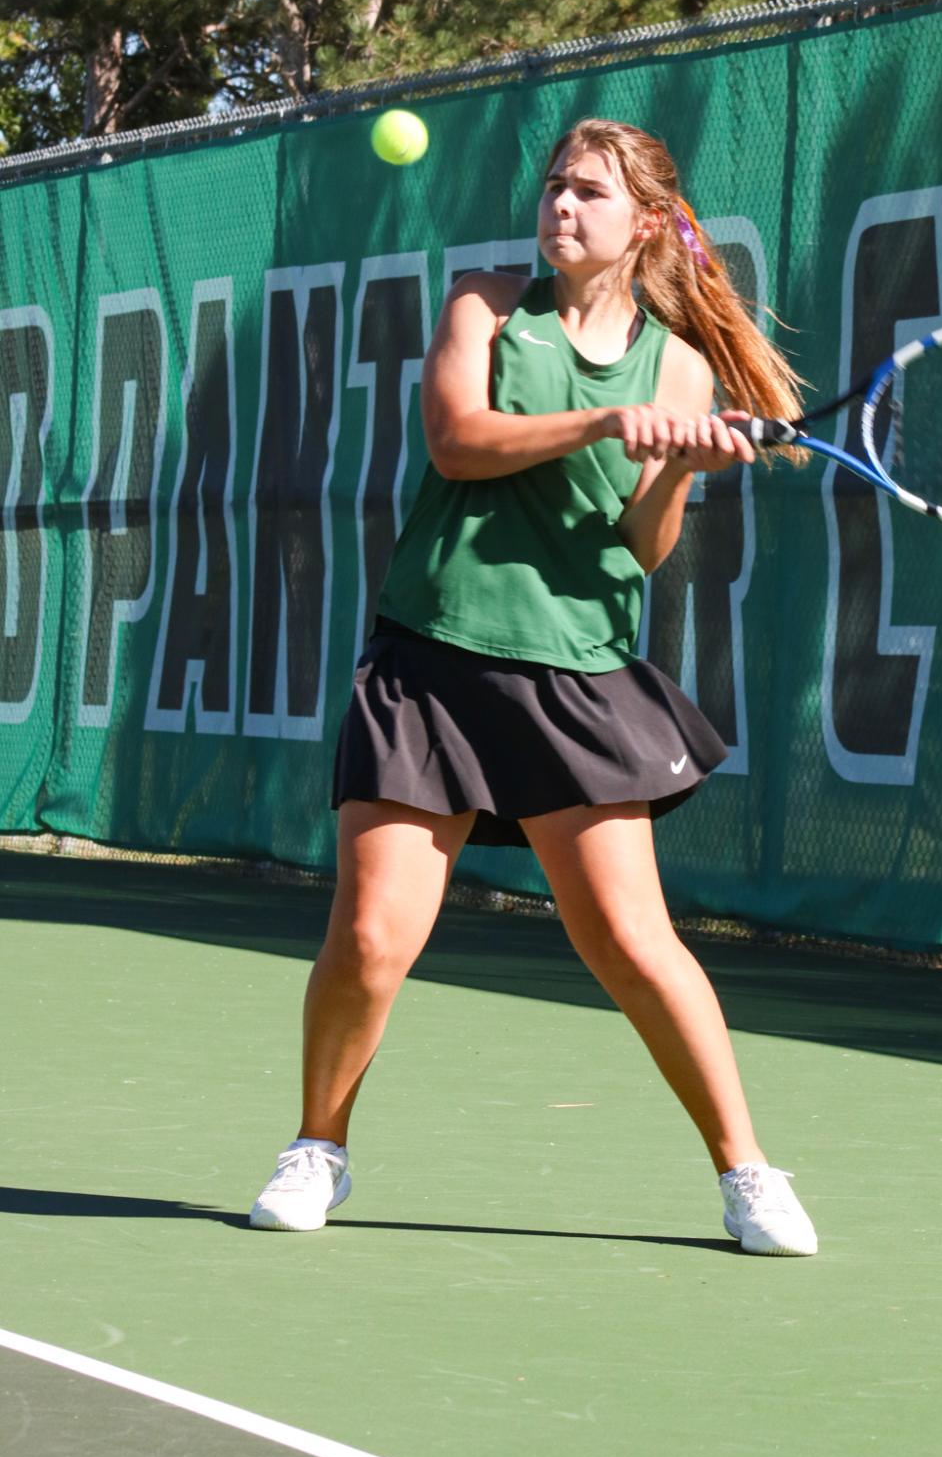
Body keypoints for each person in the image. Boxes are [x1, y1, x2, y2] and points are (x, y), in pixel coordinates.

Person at [249, 118, 817, 1256]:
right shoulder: (485, 305)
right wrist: (607, 419)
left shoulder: (680, 362)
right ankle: (319, 1147)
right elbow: (459, 442)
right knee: (368, 938)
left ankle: (747, 1172)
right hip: (433, 659)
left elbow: (640, 546)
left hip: (577, 675)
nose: (560, 207)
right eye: (554, 186)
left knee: (631, 943)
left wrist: (681, 468)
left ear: (643, 223)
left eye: (588, 194)